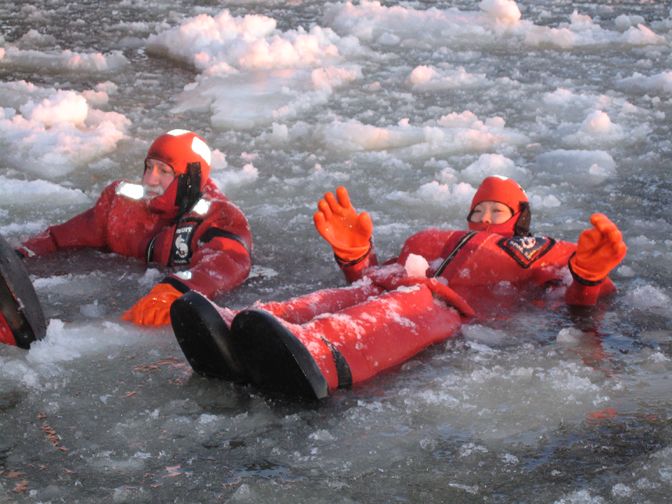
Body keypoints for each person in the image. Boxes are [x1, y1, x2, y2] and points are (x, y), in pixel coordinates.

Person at [169, 176, 626, 400]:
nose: (485, 218)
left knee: (410, 302)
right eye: (479, 210)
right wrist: (355, 256)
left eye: (497, 211)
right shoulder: (432, 240)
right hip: (406, 284)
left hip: (453, 307)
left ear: (519, 218)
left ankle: (321, 354)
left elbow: (577, 301)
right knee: (356, 295)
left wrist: (588, 278)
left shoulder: (547, 249)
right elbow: (371, 276)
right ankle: (241, 326)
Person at [11, 129, 252, 331]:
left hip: (170, 314)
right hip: (112, 300)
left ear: (189, 179)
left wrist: (178, 288)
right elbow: (61, 237)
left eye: (164, 171)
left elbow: (229, 261)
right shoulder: (120, 203)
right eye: (149, 167)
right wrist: (19, 256)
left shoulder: (219, 216)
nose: (150, 180)